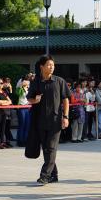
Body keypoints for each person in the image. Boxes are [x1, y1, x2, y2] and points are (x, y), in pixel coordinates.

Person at [27, 55, 71, 185]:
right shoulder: (36, 82)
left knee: (51, 148)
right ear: (42, 67)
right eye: (49, 65)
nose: (51, 67)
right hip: (40, 120)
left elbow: (65, 100)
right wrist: (35, 100)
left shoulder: (59, 81)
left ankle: (44, 175)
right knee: (46, 148)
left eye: (53, 65)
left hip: (55, 120)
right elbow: (29, 98)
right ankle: (54, 174)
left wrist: (66, 117)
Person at [0, 77, 13, 149]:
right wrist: (5, 102)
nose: (0, 85)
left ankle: (2, 142)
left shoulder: (4, 92)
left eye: (1, 83)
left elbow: (10, 101)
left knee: (3, 128)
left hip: (5, 112)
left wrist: (4, 102)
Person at [16, 75, 31, 147]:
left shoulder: (29, 89)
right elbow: (19, 94)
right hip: (21, 108)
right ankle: (20, 140)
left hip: (27, 108)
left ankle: (26, 140)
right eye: (26, 80)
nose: (27, 82)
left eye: (28, 81)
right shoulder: (20, 88)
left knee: (27, 125)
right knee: (22, 125)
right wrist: (22, 86)